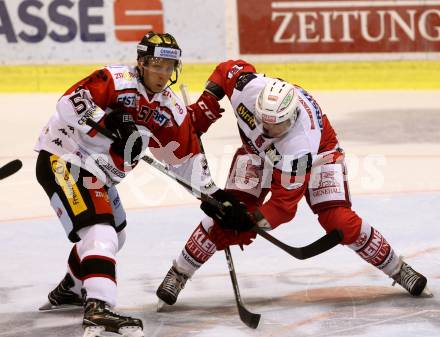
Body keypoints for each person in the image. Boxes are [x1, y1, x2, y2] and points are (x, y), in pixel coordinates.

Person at [156, 59, 430, 307]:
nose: (265, 130)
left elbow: (283, 207)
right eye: (262, 120)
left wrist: (250, 220)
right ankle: (179, 272)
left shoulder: (301, 147)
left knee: (339, 220)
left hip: (321, 155)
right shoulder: (249, 89)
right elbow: (227, 69)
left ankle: (397, 268)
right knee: (224, 211)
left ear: (291, 117)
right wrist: (207, 104)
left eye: (274, 126)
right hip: (256, 153)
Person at [34, 33, 245, 337]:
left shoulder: (169, 107)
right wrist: (107, 123)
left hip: (99, 174)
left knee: (115, 237)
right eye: (157, 65)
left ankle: (71, 286)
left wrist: (216, 200)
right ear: (142, 63)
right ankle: (98, 309)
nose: (163, 74)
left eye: (169, 66)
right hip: (65, 156)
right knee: (100, 232)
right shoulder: (115, 79)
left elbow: (183, 158)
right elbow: (69, 103)